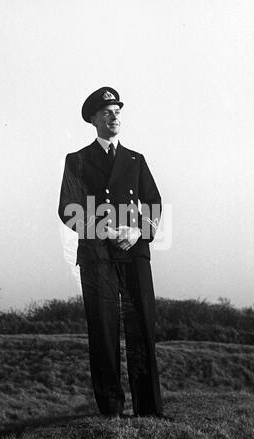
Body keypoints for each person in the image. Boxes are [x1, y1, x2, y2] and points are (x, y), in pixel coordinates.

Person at [58, 87, 163, 417]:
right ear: (93, 120)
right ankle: (111, 411)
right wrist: (107, 230)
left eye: (117, 111)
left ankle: (149, 409)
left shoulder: (136, 160)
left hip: (134, 252)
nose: (114, 116)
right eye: (106, 112)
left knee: (142, 328)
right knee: (103, 332)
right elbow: (68, 208)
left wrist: (137, 231)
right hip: (97, 254)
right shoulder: (77, 161)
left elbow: (154, 203)